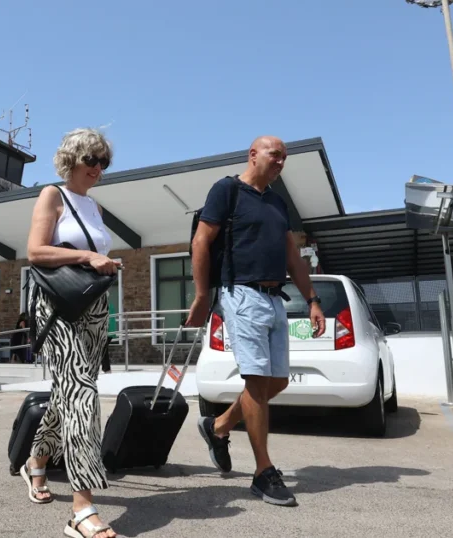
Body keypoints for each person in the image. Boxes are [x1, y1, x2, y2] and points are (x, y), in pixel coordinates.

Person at [186, 135, 325, 507]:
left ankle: (217, 426)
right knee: (258, 382)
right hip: (241, 294)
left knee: (277, 381)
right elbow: (201, 242)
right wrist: (202, 296)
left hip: (275, 298)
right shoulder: (227, 190)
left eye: (284, 157)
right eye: (273, 154)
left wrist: (312, 300)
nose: (280, 161)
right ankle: (264, 472)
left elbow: (292, 256)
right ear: (253, 154)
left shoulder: (277, 203)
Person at [21, 128, 119, 538]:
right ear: (72, 160)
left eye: (104, 162)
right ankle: (82, 508)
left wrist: (107, 263)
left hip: (94, 308)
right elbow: (36, 251)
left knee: (70, 394)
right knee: (82, 393)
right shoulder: (52, 195)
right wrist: (88, 256)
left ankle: (36, 462)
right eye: (91, 160)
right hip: (60, 307)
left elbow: (96, 256)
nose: (98, 168)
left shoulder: (94, 206)